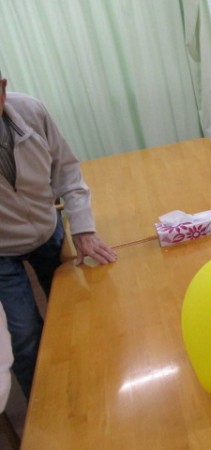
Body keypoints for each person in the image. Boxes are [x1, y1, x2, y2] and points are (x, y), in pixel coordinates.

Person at [0, 68, 117, 399]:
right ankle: (45, 406)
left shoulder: (31, 111)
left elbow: (66, 170)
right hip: (2, 251)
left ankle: (90, 383)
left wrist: (82, 227)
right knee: (24, 334)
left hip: (46, 228)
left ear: (3, 90)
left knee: (73, 313)